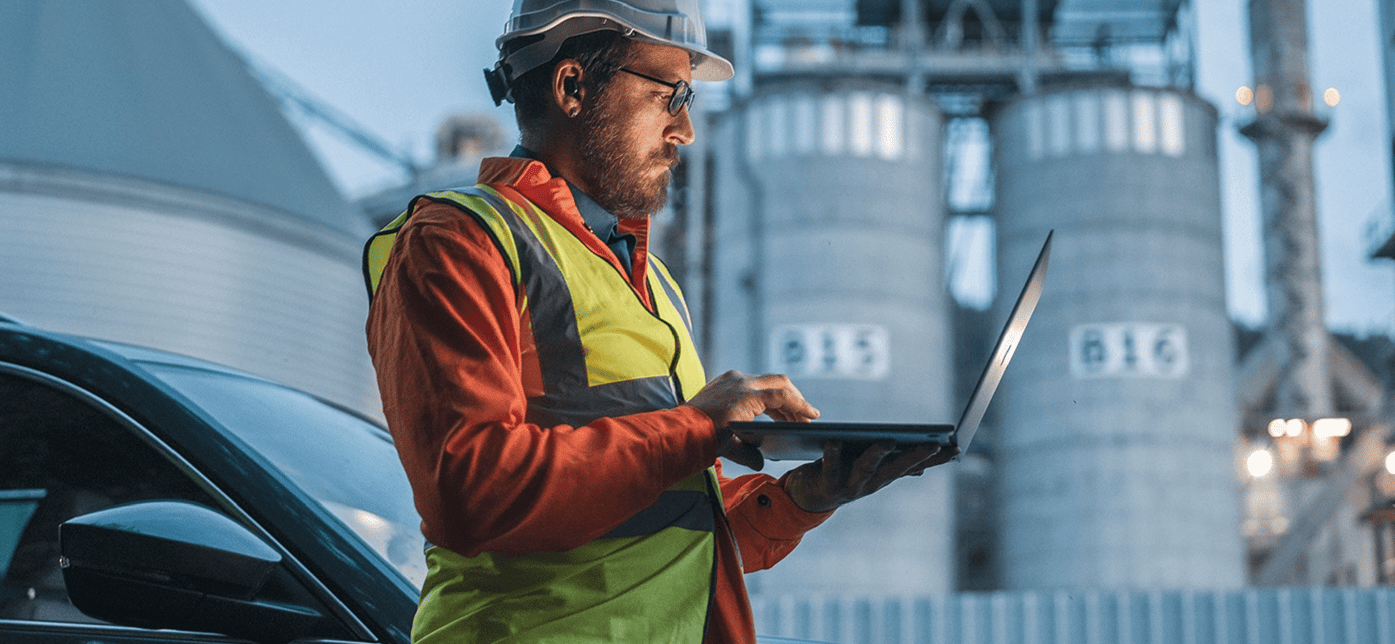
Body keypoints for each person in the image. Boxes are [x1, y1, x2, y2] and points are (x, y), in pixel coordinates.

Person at [362, 0, 956, 642]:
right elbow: (473, 493)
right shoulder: (457, 242)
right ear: (572, 87)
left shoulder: (649, 280)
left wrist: (800, 499)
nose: (686, 131)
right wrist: (698, 425)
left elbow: (665, 527)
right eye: (670, 95)